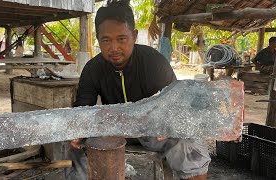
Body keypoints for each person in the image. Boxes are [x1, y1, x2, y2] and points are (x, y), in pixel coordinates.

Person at [68, 1, 211, 180]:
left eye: (121, 39)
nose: (114, 48)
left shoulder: (154, 62)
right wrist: (77, 133)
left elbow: (175, 104)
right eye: (106, 40)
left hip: (153, 130)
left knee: (188, 143)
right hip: (114, 131)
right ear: (98, 39)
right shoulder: (92, 69)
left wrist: (168, 124)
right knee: (75, 147)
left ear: (134, 36)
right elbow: (82, 111)